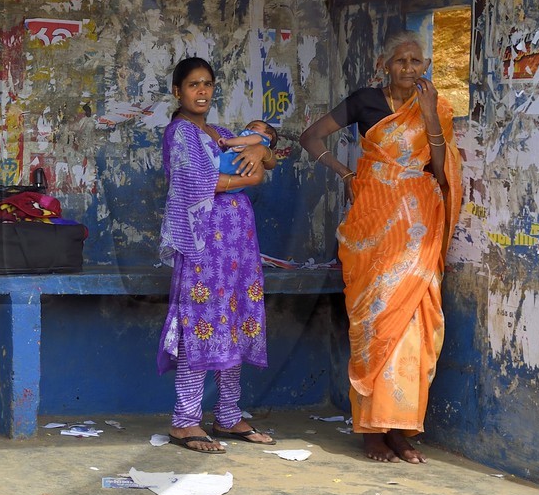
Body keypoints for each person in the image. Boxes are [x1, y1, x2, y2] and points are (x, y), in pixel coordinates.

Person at [298, 32, 463, 465]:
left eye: (416, 60)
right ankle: (372, 431)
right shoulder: (365, 101)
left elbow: (443, 172)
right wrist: (346, 175)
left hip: (418, 228)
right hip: (372, 225)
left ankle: (402, 432)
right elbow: (310, 137)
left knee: (416, 327)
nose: (409, 68)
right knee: (374, 325)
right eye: (401, 60)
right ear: (384, 64)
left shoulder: (436, 106)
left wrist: (429, 117)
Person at [158, 57, 278, 453]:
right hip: (201, 244)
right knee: (202, 321)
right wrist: (248, 174)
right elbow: (197, 183)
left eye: (207, 84)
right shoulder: (181, 132)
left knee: (235, 318)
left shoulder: (223, 132)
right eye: (193, 85)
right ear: (177, 92)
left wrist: (260, 149)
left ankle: (228, 414)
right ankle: (185, 420)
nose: (202, 92)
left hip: (237, 245)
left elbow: (269, 160)